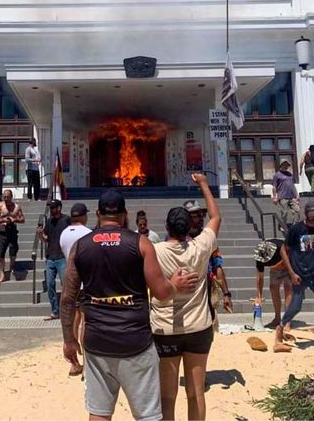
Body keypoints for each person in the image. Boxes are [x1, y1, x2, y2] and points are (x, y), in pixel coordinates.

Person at [60, 189, 200, 421]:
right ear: (124, 214)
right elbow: (161, 293)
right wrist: (175, 285)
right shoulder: (141, 244)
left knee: (99, 413)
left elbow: (67, 298)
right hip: (135, 341)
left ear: (98, 214)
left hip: (97, 341)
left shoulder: (80, 247)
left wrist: (69, 339)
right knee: (147, 415)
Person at [151, 173, 222, 421]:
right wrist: (203, 184)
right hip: (198, 327)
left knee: (167, 395)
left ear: (167, 227)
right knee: (196, 392)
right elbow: (215, 217)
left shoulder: (155, 251)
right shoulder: (201, 247)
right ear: (189, 226)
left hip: (165, 328)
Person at [274, 201, 314, 355]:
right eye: (312, 216)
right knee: (295, 306)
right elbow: (283, 250)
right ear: (306, 215)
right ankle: (280, 330)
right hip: (299, 274)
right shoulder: (296, 229)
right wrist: (291, 273)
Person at [59, 203, 92, 377]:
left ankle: (74, 363)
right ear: (84, 216)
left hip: (70, 280)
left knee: (73, 319)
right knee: (85, 321)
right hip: (85, 282)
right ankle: (86, 362)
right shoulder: (88, 233)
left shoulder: (64, 234)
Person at [184, 200, 232, 313]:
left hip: (207, 288)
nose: (201, 218)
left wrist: (226, 293)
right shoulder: (178, 238)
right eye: (196, 215)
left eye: (202, 215)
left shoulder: (207, 238)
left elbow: (217, 266)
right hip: (187, 291)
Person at [39, 199, 70, 320]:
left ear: (59, 208)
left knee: (65, 285)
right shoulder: (50, 221)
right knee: (50, 284)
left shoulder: (66, 220)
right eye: (50, 208)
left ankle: (67, 310)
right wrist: (41, 235)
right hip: (50, 258)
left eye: (53, 207)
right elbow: (47, 239)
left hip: (62, 257)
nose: (51, 210)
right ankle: (55, 311)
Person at [254, 238, 293, 329]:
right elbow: (260, 277)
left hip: (289, 265)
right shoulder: (260, 256)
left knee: (288, 289)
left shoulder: (281, 247)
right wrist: (259, 295)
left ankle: (287, 321)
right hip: (275, 269)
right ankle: (277, 318)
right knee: (273, 288)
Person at [0, 189, 25, 284]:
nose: (6, 199)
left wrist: (14, 219)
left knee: (13, 250)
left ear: (11, 197)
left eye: (8, 197)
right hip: (2, 231)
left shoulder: (17, 207)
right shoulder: (1, 206)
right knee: (0, 252)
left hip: (12, 231)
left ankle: (12, 265)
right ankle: (2, 273)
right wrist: (3, 220)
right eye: (5, 197)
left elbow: (22, 219)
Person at [272, 161, 300, 230]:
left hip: (292, 196)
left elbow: (292, 185)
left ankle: (294, 226)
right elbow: (274, 187)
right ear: (281, 165)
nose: (286, 166)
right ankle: (282, 226)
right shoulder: (277, 175)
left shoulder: (290, 174)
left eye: (287, 165)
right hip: (282, 196)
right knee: (285, 212)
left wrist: (297, 195)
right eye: (285, 165)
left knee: (297, 210)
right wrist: (275, 197)